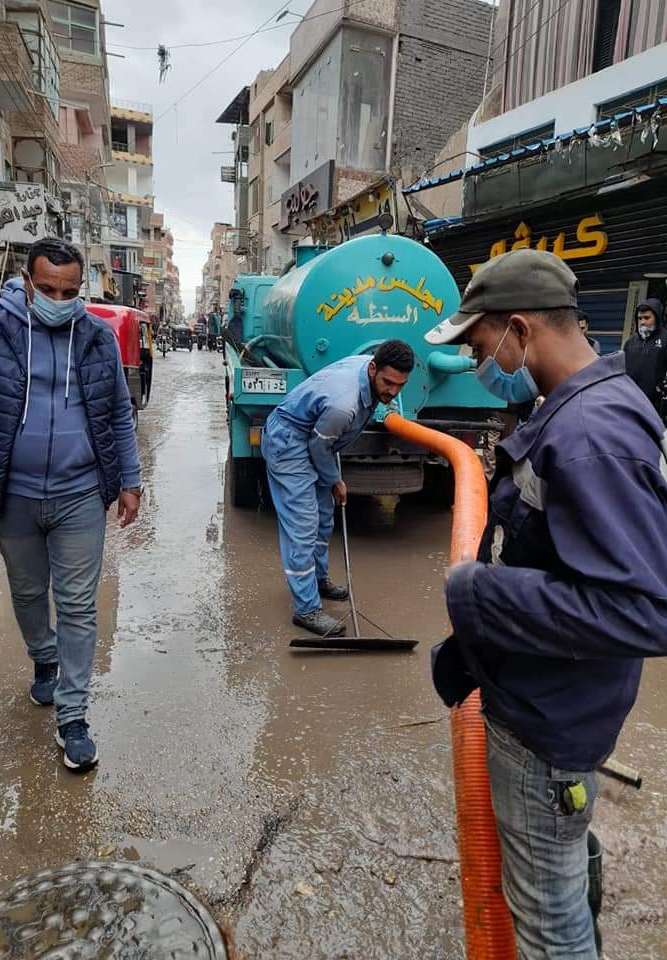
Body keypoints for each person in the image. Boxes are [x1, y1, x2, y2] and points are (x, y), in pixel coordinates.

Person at [427, 248, 667, 959]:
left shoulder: (590, 435)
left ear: (521, 331)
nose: (481, 364)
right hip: (558, 700)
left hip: (548, 727)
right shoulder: (589, 406)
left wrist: (479, 592)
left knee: (548, 921)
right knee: (558, 874)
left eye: (481, 347)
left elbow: (642, 609)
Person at [0, 239, 142, 772]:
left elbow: (118, 412)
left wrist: (131, 480)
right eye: (49, 289)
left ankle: (72, 714)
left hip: (81, 494)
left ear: (82, 287)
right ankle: (44, 655)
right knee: (29, 593)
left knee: (78, 605)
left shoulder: (97, 337)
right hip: (13, 494)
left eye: (70, 291)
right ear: (27, 281)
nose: (59, 300)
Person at [261, 340, 414, 637]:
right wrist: (335, 480)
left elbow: (322, 444)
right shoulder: (344, 405)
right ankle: (306, 609)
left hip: (314, 435)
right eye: (388, 383)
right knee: (303, 525)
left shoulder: (368, 369)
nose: (393, 391)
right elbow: (319, 448)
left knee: (324, 517)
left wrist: (332, 480)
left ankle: (318, 579)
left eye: (400, 385)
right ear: (373, 369)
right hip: (289, 441)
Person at [624, 298, 667, 416]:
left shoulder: (665, 340)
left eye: (647, 318)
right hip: (629, 401)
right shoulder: (630, 342)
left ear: (657, 318)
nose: (642, 322)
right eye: (639, 318)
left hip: (654, 406)